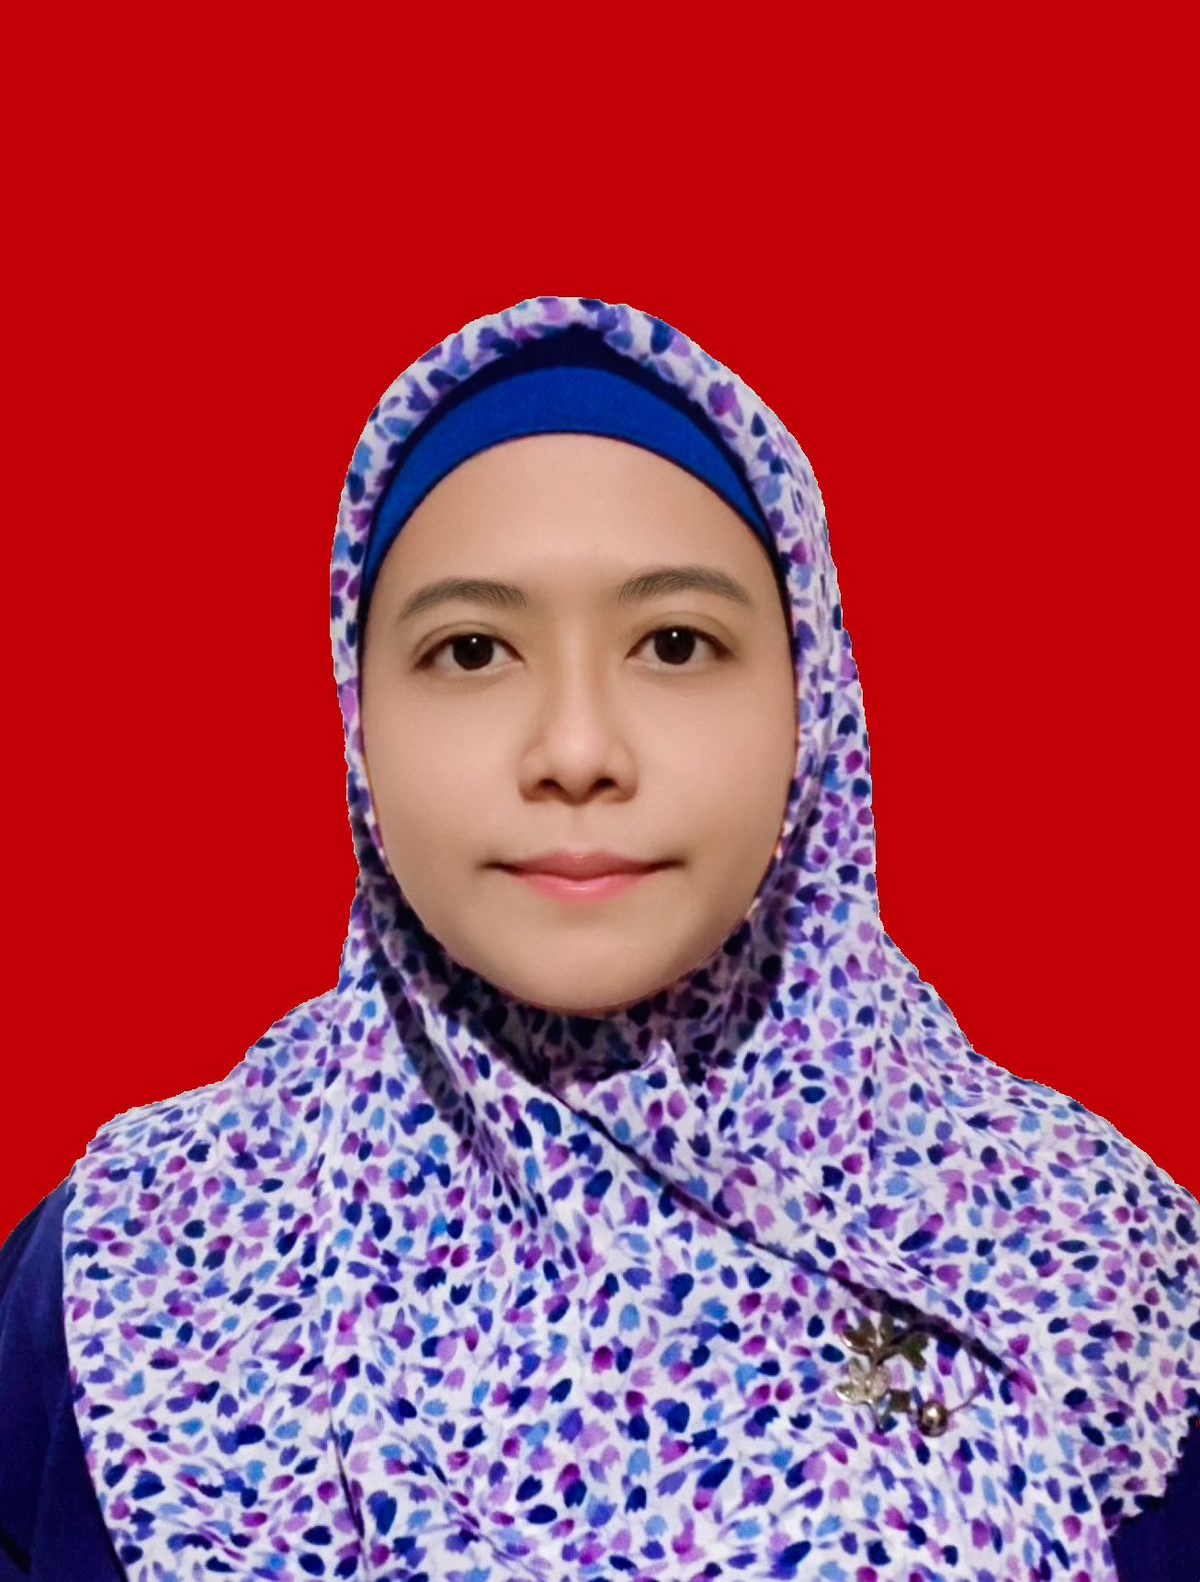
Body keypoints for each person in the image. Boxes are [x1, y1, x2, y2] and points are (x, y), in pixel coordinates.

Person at [1, 296, 1196, 1580]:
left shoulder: (1093, 1268)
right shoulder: (127, 1278)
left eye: (676, 643)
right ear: (360, 721)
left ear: (811, 703)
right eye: (472, 650)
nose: (575, 749)